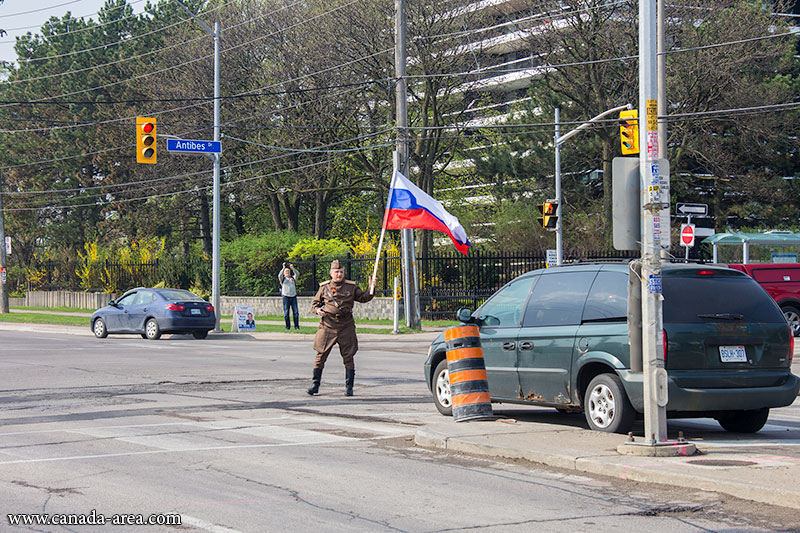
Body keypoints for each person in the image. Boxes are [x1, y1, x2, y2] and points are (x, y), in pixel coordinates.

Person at [306, 259, 376, 396]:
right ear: (331, 273)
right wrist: (318, 310)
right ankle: (315, 385)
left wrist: (371, 288)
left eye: (341, 272)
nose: (339, 274)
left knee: (348, 356)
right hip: (328, 325)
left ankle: (349, 387)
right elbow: (314, 304)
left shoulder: (351, 287)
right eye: (336, 272)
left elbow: (364, 298)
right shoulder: (324, 287)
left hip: (346, 326)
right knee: (320, 355)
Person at [279, 263, 300, 330]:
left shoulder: (293, 278)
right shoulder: (283, 279)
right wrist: (283, 268)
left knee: (296, 312)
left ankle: (296, 326)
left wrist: (293, 268)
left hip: (293, 296)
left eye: (288, 271)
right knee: (286, 312)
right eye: (286, 271)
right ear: (284, 273)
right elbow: (279, 275)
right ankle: (287, 326)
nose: (287, 272)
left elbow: (297, 274)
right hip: (286, 297)